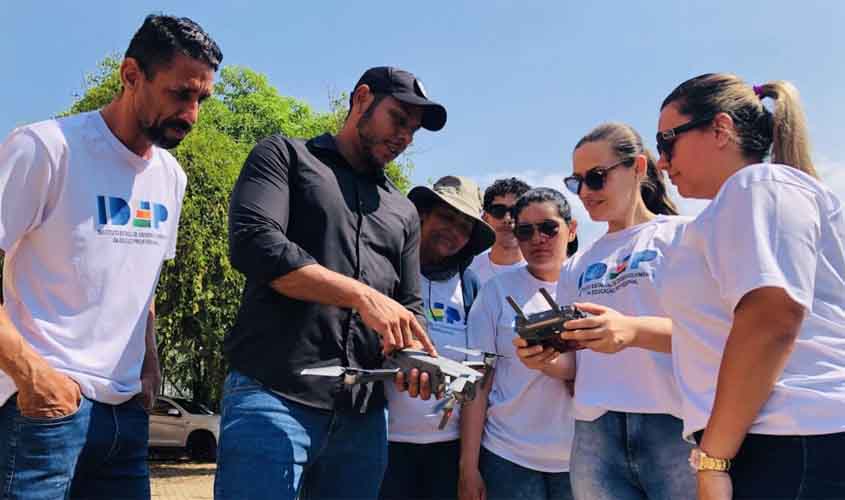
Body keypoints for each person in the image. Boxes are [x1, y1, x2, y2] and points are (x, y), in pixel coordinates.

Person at [0, 14, 221, 499]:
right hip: (44, 413)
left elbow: (140, 283)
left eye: (201, 98)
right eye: (180, 93)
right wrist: (31, 375)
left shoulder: (170, 176)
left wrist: (150, 363)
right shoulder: (46, 147)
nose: (192, 114)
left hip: (126, 417)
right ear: (131, 75)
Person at [216, 66, 444, 500]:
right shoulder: (284, 156)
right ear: (361, 98)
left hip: (363, 420)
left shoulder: (403, 211)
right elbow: (256, 245)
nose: (405, 138)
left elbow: (409, 307)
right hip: (273, 394)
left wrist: (415, 360)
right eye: (398, 119)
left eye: (414, 131)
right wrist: (360, 295)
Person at [655, 74, 845, 500]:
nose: (662, 162)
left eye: (667, 141)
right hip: (781, 440)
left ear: (720, 129)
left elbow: (771, 318)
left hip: (788, 443)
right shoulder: (740, 203)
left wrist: (713, 460)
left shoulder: (756, 186)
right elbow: (721, 331)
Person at [553, 122, 696, 500]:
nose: (584, 192)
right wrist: (542, 360)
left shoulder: (686, 235)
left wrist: (632, 330)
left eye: (596, 178)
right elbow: (576, 363)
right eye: (575, 182)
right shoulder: (576, 263)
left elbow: (716, 336)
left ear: (638, 167)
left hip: (676, 425)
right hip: (595, 431)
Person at [379, 176, 495, 500]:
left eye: (465, 227)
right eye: (446, 217)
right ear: (421, 215)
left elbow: (478, 376)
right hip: (383, 444)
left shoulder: (470, 286)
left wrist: (467, 465)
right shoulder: (387, 271)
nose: (454, 231)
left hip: (447, 450)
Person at [460, 187, 579, 500]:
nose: (538, 239)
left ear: (571, 229)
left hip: (581, 458)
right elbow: (478, 382)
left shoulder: (590, 286)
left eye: (549, 228)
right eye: (526, 231)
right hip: (507, 456)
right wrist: (468, 467)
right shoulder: (495, 291)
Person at [468, 177, 532, 284]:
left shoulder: (543, 272)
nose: (507, 219)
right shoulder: (468, 272)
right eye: (498, 211)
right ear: (485, 218)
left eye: (516, 211)